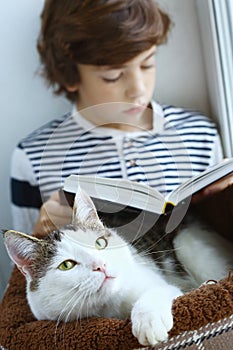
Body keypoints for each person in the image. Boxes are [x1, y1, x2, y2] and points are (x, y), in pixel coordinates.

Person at [10, 0, 231, 239]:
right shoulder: (33, 157)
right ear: (69, 74)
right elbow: (23, 273)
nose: (138, 90)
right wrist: (42, 233)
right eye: (113, 77)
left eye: (148, 64)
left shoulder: (200, 135)